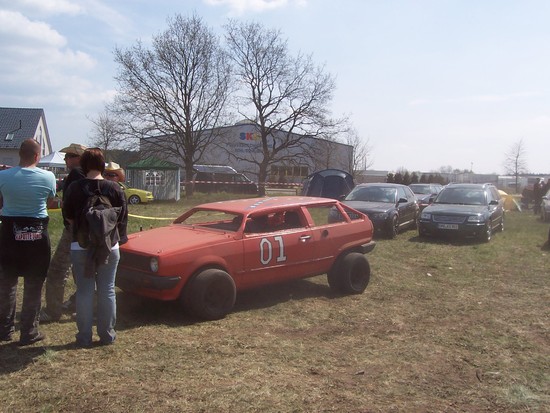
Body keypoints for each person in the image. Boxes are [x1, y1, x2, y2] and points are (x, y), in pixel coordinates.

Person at [63, 148, 128, 347]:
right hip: (109, 246)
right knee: (107, 290)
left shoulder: (75, 187)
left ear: (83, 165)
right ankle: (107, 335)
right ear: (102, 165)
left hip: (81, 246)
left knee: (84, 291)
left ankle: (84, 337)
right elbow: (122, 220)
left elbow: (68, 218)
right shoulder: (115, 188)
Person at [0, 139, 56, 345]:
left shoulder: (3, 176)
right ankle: (29, 332)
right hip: (37, 236)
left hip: (9, 234)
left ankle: (4, 329)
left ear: (19, 154)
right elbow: (49, 201)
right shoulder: (48, 176)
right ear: (36, 156)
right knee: (33, 285)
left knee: (7, 284)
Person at [40, 143, 87, 322]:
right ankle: (84, 304)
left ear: (78, 158)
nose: (66, 159)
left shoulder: (76, 174)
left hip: (74, 228)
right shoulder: (92, 175)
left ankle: (53, 310)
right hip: (91, 229)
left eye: (69, 156)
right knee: (83, 269)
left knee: (58, 269)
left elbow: (72, 201)